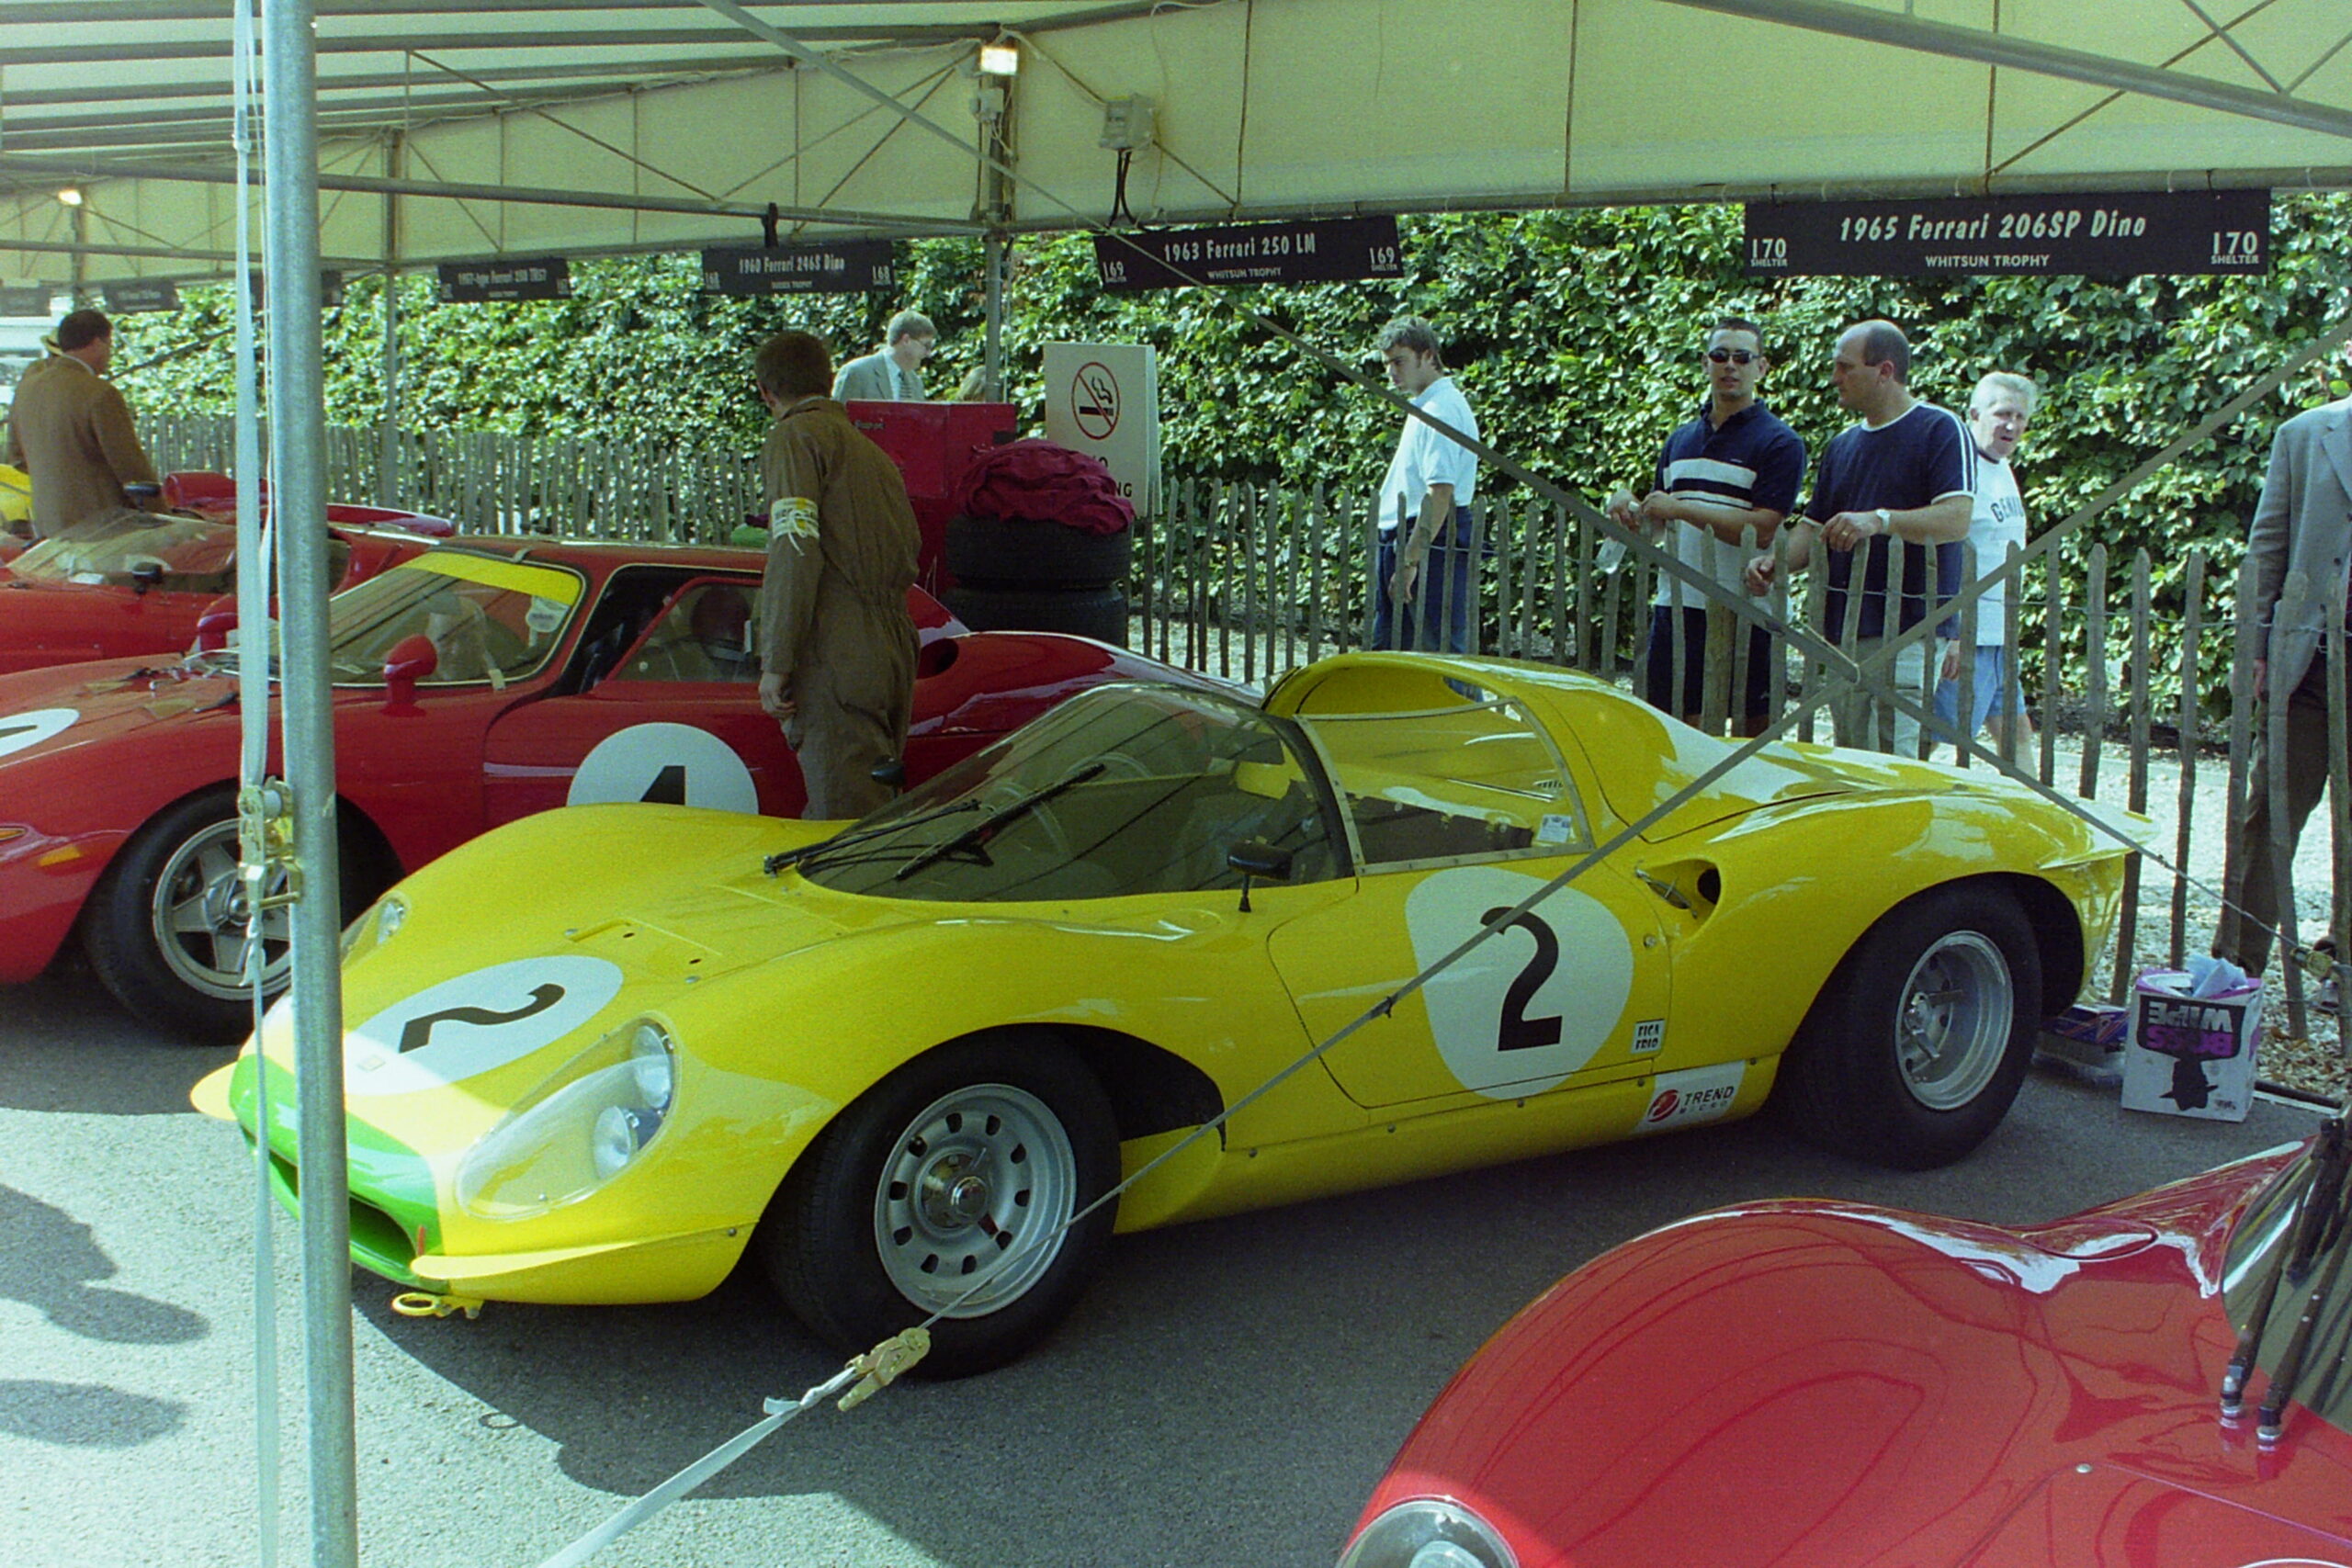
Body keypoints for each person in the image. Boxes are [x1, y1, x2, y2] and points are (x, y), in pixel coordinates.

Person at [1745, 320, 1974, 757]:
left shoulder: (1941, 428)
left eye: (1845, 367)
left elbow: (1957, 518)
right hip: (1844, 634)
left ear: (1885, 371)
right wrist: (1777, 562)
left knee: (1894, 766)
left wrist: (1880, 520)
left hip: (1911, 632)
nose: (1835, 378)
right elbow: (1814, 526)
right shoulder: (1842, 445)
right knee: (1852, 759)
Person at [2212, 337, 2352, 985]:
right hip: (2311, 663)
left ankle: (2343, 966)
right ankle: (2234, 968)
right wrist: (2257, 648)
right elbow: (2267, 547)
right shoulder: (2305, 434)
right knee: (2270, 815)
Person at [752, 330, 923, 819]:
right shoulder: (871, 454)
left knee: (841, 826)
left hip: (837, 647)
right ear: (829, 381)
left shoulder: (796, 437)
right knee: (874, 808)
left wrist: (776, 661)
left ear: (767, 393)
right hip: (891, 645)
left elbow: (794, 548)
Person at [1607, 316, 1805, 735]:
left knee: (1754, 736)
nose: (1730, 365)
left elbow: (1762, 528)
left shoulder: (1781, 443)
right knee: (1672, 730)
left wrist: (1681, 508)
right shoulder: (1679, 441)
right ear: (1705, 363)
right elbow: (1659, 526)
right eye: (1720, 355)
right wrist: (1628, 506)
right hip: (1678, 606)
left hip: (1747, 610)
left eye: (1742, 357)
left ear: (1761, 367)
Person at [1932, 372, 2041, 761]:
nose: (2012, 425)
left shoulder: (2002, 467)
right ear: (1975, 414)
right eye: (2003, 414)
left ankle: (2028, 803)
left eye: (2020, 417)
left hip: (1999, 635)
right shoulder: (1961, 469)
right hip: (1967, 637)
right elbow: (1944, 552)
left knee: (2017, 732)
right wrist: (1953, 632)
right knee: (1935, 739)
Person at [1372, 315, 1480, 655]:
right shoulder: (1428, 406)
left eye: (1399, 362)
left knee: (1438, 650)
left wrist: (1410, 560)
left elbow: (1441, 492)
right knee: (1396, 650)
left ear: (1428, 356)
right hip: (1411, 535)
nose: (1391, 372)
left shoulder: (1441, 410)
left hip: (1429, 538)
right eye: (1387, 364)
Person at [4, 308, 158, 539]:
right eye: (109, 345)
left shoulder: (27, 390)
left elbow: (16, 457)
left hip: (48, 523)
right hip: (102, 526)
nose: (110, 354)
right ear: (97, 343)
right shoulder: (100, 393)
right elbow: (130, 467)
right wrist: (159, 515)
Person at [831, 310, 936, 402]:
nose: (928, 353)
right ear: (906, 340)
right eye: (926, 346)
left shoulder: (916, 383)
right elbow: (837, 417)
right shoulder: (856, 373)